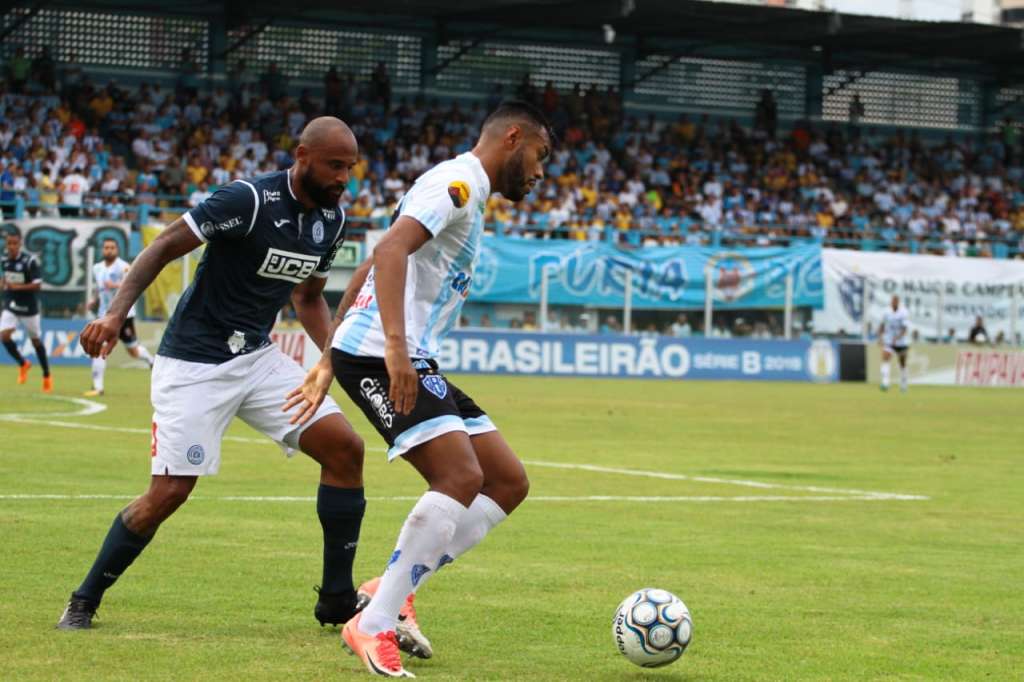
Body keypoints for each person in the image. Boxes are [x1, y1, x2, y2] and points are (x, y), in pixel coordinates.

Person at [56, 118, 368, 635]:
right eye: (335, 166)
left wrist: (333, 357)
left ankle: (336, 598)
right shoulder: (246, 200)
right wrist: (115, 314)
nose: (343, 179)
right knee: (170, 492)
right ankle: (84, 599)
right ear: (302, 156)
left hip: (258, 358)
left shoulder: (331, 222)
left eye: (350, 169)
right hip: (195, 362)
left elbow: (308, 298)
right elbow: (162, 247)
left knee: (344, 449)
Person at [286, 101, 552, 678]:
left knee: (507, 480)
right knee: (458, 477)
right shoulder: (457, 182)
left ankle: (392, 586)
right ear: (513, 138)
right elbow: (388, 252)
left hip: (396, 351)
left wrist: (329, 354)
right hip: (385, 355)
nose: (538, 173)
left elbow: (378, 257)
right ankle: (373, 623)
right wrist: (395, 349)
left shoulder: (466, 192)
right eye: (539, 156)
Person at [84, 238, 155, 396]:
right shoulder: (97, 268)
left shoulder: (123, 267)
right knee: (100, 346)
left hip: (124, 314)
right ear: (103, 250)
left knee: (133, 351)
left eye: (112, 248)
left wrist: (115, 286)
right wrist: (93, 301)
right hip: (104, 314)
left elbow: (133, 285)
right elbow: (100, 290)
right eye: (106, 247)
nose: (109, 250)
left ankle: (151, 361)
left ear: (117, 250)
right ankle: (98, 387)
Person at [1, 231, 52, 392]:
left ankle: (46, 375)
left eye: (15, 244)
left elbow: (38, 285)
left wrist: (17, 287)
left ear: (20, 244)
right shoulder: (4, 260)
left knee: (36, 341)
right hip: (11, 305)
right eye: (9, 243)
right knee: (4, 335)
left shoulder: (30, 261)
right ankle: (23, 363)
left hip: (29, 308)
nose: (12, 247)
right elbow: (5, 279)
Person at [878, 294, 910, 392]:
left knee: (902, 363)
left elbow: (905, 329)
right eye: (893, 301)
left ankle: (904, 384)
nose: (894, 302)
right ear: (891, 302)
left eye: (896, 301)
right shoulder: (886, 312)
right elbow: (882, 325)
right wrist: (880, 337)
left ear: (898, 302)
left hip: (901, 342)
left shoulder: (904, 312)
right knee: (885, 358)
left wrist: (897, 338)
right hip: (889, 340)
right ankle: (885, 383)